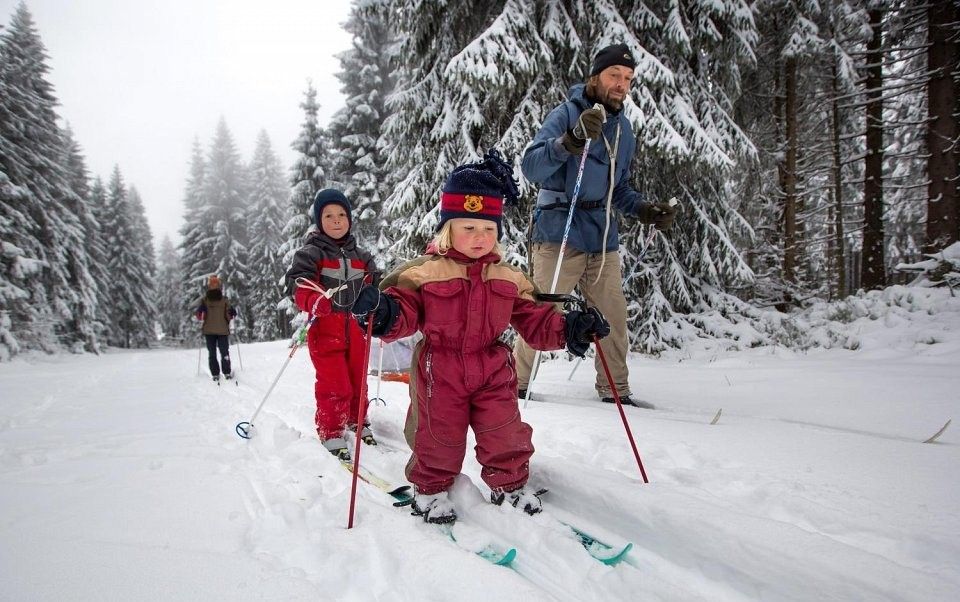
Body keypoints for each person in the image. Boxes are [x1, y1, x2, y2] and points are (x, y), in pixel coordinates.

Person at [350, 151, 611, 524]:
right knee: (438, 435)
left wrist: (570, 328)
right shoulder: (425, 273)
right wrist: (382, 312)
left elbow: (535, 320)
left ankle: (509, 484)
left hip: (492, 367)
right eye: (468, 227)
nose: (479, 237)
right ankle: (432, 489)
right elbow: (403, 314)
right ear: (448, 228)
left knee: (505, 432)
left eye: (488, 229)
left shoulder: (508, 277)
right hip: (441, 368)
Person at [513, 43, 678, 409]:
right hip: (560, 233)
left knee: (613, 316)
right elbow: (531, 167)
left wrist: (645, 210)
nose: (621, 84)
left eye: (628, 79)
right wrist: (569, 141)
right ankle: (516, 384)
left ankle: (615, 389)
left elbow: (617, 189)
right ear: (595, 77)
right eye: (614, 76)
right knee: (543, 312)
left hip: (602, 237)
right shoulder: (567, 113)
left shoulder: (625, 130)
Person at [285, 188, 380, 461]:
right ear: (319, 220)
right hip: (326, 327)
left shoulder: (362, 255)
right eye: (328, 215)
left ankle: (357, 421)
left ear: (349, 219)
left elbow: (374, 282)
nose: (336, 220)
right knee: (334, 382)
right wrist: (314, 300)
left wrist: (376, 298)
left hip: (356, 327)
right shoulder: (311, 253)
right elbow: (300, 286)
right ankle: (332, 430)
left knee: (358, 379)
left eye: (341, 214)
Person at [195, 275, 238, 382]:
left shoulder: (205, 301)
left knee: (212, 353)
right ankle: (227, 372)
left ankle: (215, 374)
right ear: (219, 286)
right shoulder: (224, 300)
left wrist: (202, 316)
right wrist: (231, 315)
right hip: (222, 330)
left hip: (209, 331)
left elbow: (199, 315)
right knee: (224, 352)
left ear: (209, 286)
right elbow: (232, 314)